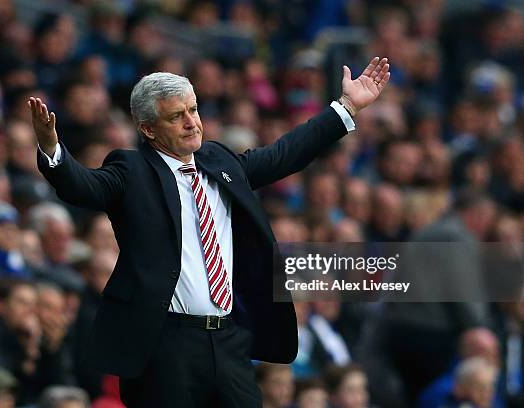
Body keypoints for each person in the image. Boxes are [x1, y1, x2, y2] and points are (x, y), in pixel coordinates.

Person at [28, 56, 390, 407]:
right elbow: (80, 186)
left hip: (229, 338)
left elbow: (285, 153)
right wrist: (50, 147)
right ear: (148, 128)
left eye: (194, 110)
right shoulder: (131, 171)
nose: (191, 123)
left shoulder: (220, 161)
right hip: (166, 344)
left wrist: (346, 107)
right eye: (176, 116)